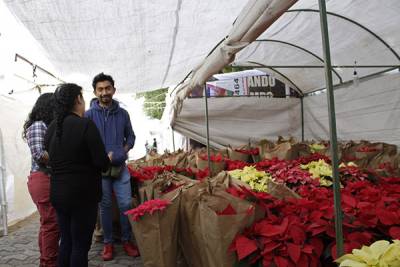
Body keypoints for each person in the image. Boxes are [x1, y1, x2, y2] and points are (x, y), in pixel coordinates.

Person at [44, 83, 110, 267]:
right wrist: (108, 158)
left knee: (66, 241)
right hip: (83, 196)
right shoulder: (85, 125)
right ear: (78, 100)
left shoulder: (51, 128)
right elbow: (102, 163)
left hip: (58, 194)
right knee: (80, 245)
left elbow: (50, 158)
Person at [85, 73, 139, 261]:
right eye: (100, 89)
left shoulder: (123, 113)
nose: (104, 92)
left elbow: (131, 137)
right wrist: (97, 157)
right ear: (95, 92)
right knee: (105, 206)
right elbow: (84, 141)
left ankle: (126, 239)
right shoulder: (88, 115)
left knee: (125, 203)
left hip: (120, 167)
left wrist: (123, 151)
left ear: (114, 90)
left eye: (108, 88)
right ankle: (108, 243)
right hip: (99, 170)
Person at [23, 93, 59, 267]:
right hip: (42, 178)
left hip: (45, 178)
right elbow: (39, 154)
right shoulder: (38, 125)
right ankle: (49, 262)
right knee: (51, 223)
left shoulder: (46, 125)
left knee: (48, 222)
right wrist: (64, 157)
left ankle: (46, 260)